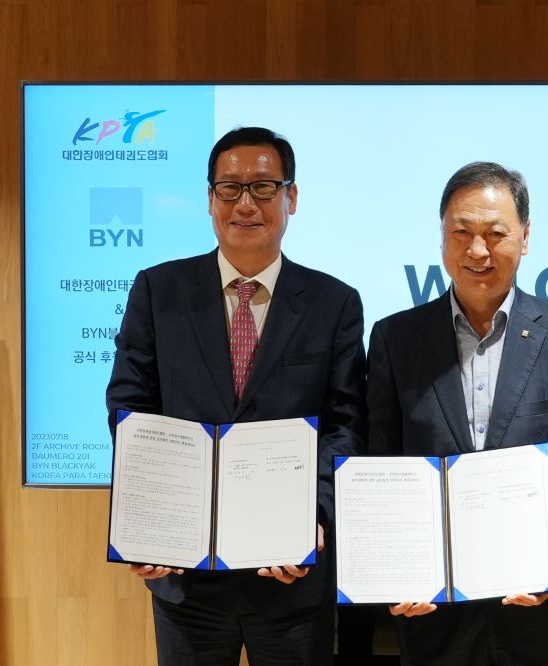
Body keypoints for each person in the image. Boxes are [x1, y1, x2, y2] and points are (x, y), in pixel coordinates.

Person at [106, 126, 366, 665]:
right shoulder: (157, 291)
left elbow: (345, 422)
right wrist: (148, 517)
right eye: (230, 188)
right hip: (186, 574)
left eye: (264, 187)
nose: (246, 204)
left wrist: (315, 516)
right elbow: (130, 406)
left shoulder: (334, 302)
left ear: (292, 197)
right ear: (210, 199)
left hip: (291, 574)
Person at [366, 161, 548, 665]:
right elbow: (379, 466)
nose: (477, 250)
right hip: (432, 614)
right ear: (442, 237)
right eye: (461, 232)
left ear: (524, 238)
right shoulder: (396, 339)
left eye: (495, 233)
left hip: (536, 614)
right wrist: (395, 571)